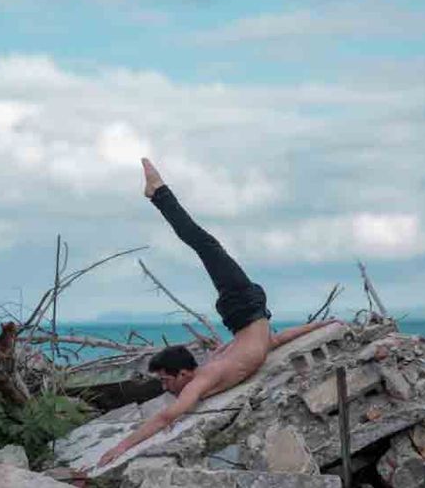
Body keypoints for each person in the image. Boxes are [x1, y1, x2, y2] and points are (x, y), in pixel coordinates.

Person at [94, 158, 336, 469]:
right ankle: (158, 192)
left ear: (183, 374)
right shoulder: (217, 368)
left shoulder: (204, 376)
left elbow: (168, 415)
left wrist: (121, 447)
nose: (164, 387)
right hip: (248, 312)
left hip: (245, 307)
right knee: (204, 244)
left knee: (204, 243)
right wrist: (322, 323)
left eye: (166, 380)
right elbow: (275, 340)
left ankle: (158, 192)